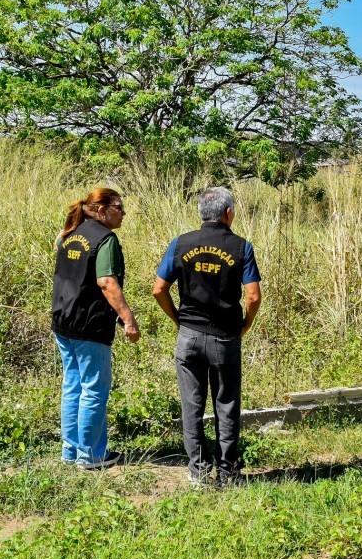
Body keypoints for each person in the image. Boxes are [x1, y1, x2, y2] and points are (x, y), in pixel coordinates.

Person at [153, 187, 262, 487]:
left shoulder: (180, 243)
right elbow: (253, 296)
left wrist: (178, 319)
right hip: (225, 339)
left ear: (202, 213)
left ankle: (199, 472)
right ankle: (228, 472)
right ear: (228, 213)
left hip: (188, 337)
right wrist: (245, 325)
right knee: (226, 404)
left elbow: (158, 289)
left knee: (192, 405)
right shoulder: (242, 247)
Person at [51, 187, 140, 469]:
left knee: (73, 385)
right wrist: (128, 318)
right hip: (89, 324)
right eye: (119, 207)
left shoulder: (70, 234)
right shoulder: (105, 239)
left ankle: (70, 451)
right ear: (101, 210)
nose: (123, 213)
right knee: (93, 389)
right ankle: (90, 456)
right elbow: (107, 282)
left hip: (63, 321)